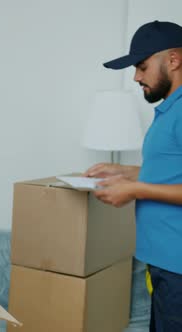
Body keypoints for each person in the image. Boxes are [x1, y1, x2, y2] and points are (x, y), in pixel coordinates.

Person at [84, 21, 182, 332]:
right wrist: (126, 172)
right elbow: (172, 173)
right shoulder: (171, 109)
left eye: (142, 67)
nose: (137, 77)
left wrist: (135, 188)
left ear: (174, 60)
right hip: (164, 263)